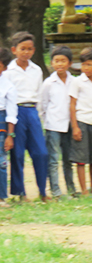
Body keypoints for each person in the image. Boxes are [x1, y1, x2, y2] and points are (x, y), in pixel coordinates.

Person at [4, 32, 49, 202]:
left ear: (34, 50)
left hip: (32, 111)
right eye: (23, 49)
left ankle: (43, 191)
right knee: (18, 153)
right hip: (16, 112)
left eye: (30, 49)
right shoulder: (8, 72)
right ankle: (20, 193)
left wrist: (39, 115)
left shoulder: (36, 70)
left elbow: (39, 94)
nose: (26, 52)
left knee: (41, 153)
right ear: (14, 50)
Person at [40, 46, 75, 199]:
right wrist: (46, 123)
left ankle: (71, 188)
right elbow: (42, 105)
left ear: (69, 63)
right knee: (53, 159)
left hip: (69, 125)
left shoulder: (74, 81)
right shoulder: (48, 83)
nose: (60, 64)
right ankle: (55, 190)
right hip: (53, 126)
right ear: (52, 63)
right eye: (57, 61)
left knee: (68, 159)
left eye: (63, 61)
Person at [68, 48, 92, 197]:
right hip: (82, 121)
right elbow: (72, 104)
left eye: (89, 65)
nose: (86, 68)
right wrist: (75, 127)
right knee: (81, 158)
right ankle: (83, 189)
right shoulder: (77, 82)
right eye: (84, 65)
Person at [0, 48, 17, 207]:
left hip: (1, 123)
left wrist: (10, 135)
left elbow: (11, 112)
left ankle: (1, 197)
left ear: (4, 68)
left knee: (1, 161)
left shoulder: (8, 86)